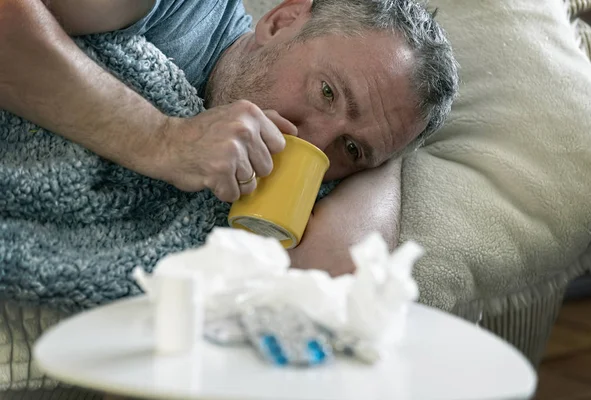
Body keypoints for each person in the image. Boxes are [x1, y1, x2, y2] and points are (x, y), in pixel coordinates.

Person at [0, 0, 458, 276]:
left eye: (351, 148)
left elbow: (326, 289)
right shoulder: (178, 11)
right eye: (327, 92)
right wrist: (163, 139)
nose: (313, 139)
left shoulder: (323, 167)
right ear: (281, 21)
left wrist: (389, 150)